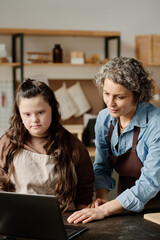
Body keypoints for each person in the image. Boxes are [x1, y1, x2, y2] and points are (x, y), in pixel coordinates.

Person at [67, 56, 160, 223]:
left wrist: (104, 210)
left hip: (157, 206)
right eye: (106, 93)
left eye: (119, 97)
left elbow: (150, 184)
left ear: (137, 95)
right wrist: (101, 195)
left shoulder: (156, 125)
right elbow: (102, 166)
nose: (110, 103)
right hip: (124, 204)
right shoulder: (104, 119)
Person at [0, 78, 94, 211]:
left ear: (52, 109)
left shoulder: (74, 147)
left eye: (40, 112)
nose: (34, 120)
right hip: (18, 218)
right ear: (19, 115)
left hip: (64, 221)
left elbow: (84, 191)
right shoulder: (7, 143)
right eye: (27, 114)